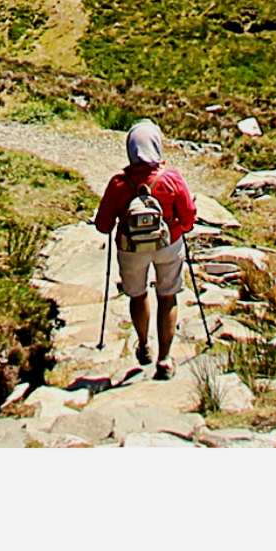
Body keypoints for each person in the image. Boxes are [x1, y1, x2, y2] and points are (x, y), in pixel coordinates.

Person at [99, 118, 202, 381]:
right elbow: (189, 216)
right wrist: (181, 225)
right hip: (168, 244)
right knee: (167, 296)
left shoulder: (119, 183)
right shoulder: (171, 179)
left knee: (137, 295)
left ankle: (143, 344)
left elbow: (103, 225)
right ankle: (165, 360)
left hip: (130, 248)